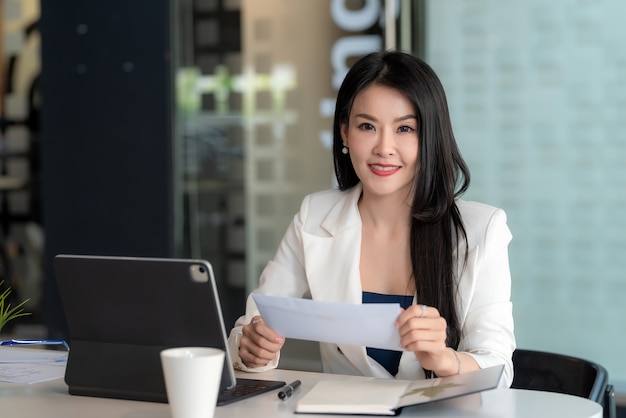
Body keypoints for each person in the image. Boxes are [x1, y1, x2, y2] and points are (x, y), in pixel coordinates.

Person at [227, 50, 515, 386]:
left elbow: (499, 367)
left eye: (405, 129)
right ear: (345, 133)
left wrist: (445, 359)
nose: (384, 147)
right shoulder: (314, 216)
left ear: (430, 138)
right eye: (367, 126)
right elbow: (252, 327)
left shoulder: (482, 230)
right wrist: (252, 349)